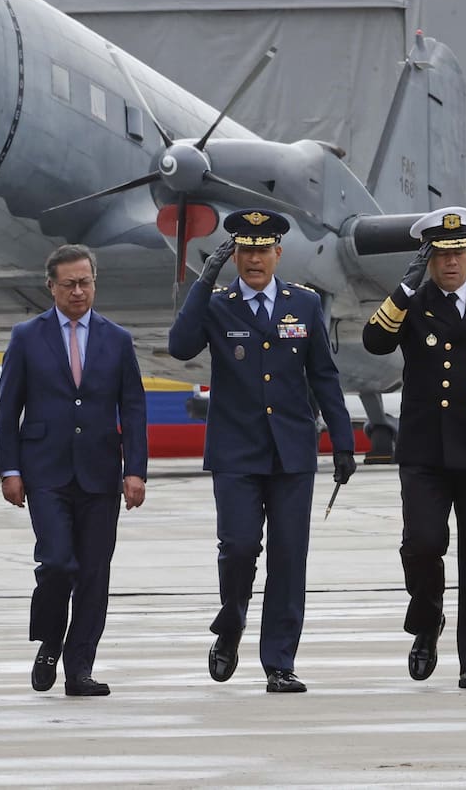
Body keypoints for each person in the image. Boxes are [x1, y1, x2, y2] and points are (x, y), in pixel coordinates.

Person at [168, 209, 356, 693]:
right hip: (235, 452)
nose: (254, 259)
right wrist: (203, 281)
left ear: (278, 252)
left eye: (263, 249)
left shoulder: (305, 304)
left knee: (289, 558)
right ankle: (230, 624)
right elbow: (180, 346)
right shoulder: (216, 304)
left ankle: (279, 661)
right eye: (245, 250)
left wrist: (342, 439)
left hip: (292, 451)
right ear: (235, 254)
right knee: (238, 548)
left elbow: (324, 377)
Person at [0, 244, 147, 697]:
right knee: (58, 562)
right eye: (69, 284)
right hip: (45, 470)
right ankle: (48, 642)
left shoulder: (116, 339)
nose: (79, 291)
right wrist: (9, 469)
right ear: (51, 287)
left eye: (85, 283)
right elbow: (8, 408)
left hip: (100, 470)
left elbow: (133, 408)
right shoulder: (27, 336)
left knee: (95, 573)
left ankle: (80, 667)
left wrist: (135, 470)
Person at [362, 206, 466, 688]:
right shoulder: (413, 301)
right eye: (440, 254)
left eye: (458, 253)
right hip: (426, 449)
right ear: (428, 258)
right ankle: (427, 622)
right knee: (423, 545)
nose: (451, 263)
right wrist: (403, 289)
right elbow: (374, 342)